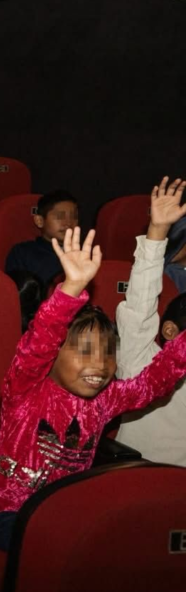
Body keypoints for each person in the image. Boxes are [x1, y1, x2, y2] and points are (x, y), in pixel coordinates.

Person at [0, 226, 186, 552]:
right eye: (84, 352)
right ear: (54, 355)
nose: (99, 364)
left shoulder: (105, 400)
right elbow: (39, 342)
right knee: (58, 548)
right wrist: (71, 288)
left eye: (107, 353)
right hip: (3, 513)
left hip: (61, 514)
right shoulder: (27, 388)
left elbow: (153, 382)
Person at [115, 177, 186, 466]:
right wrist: (157, 232)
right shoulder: (142, 362)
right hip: (140, 478)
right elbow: (140, 306)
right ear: (170, 331)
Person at [5, 189, 80, 286]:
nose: (68, 223)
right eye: (60, 216)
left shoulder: (82, 254)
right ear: (39, 221)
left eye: (74, 217)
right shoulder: (22, 253)